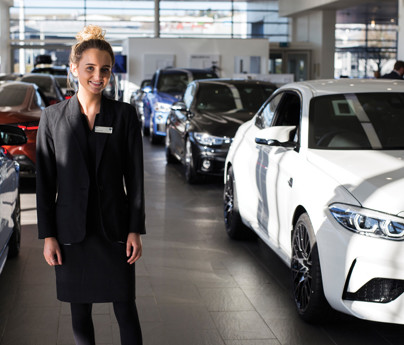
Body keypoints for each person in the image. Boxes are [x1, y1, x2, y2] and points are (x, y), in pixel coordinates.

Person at [36, 25, 145, 345]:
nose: (98, 76)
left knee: (126, 309)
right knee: (79, 314)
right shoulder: (52, 118)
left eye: (105, 69)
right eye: (90, 68)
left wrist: (134, 229)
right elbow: (45, 183)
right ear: (74, 68)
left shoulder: (124, 115)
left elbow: (135, 177)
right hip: (71, 232)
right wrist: (48, 235)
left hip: (114, 230)